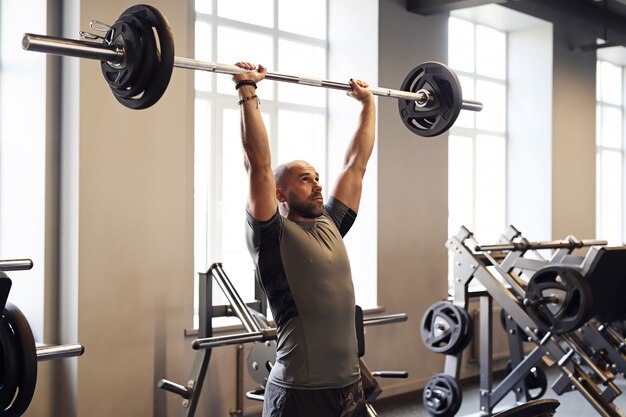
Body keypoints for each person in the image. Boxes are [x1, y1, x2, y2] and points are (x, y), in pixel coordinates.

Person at [233, 61, 376, 417]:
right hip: (299, 393)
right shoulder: (272, 236)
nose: (318, 185)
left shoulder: (330, 223)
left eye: (316, 177)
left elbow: (356, 163)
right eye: (305, 180)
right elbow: (258, 165)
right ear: (280, 193)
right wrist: (247, 90)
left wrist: (368, 105)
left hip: (349, 387)